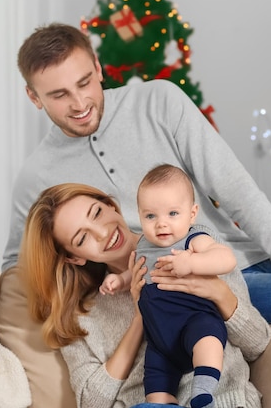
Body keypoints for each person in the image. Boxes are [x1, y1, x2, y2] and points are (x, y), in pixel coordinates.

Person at [3, 22, 271, 358]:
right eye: (58, 95)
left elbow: (233, 186)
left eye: (84, 83)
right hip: (185, 283)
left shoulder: (157, 100)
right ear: (34, 97)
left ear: (97, 66)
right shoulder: (37, 175)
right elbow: (16, 268)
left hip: (241, 257)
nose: (78, 103)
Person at [19, 183, 271, 408]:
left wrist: (218, 291)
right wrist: (140, 317)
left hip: (222, 400)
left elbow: (257, 342)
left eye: (97, 213)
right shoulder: (81, 314)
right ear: (74, 257)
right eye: (83, 237)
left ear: (111, 206)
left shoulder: (191, 243)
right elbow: (90, 401)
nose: (102, 233)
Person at [100, 164, 236, 407]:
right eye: (151, 216)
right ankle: (164, 402)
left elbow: (226, 259)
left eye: (173, 214)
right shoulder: (142, 245)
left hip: (193, 319)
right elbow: (137, 273)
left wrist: (193, 262)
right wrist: (120, 280)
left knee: (208, 341)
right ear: (140, 216)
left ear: (192, 214)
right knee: (155, 379)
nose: (161, 224)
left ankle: (203, 391)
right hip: (160, 339)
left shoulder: (193, 239)